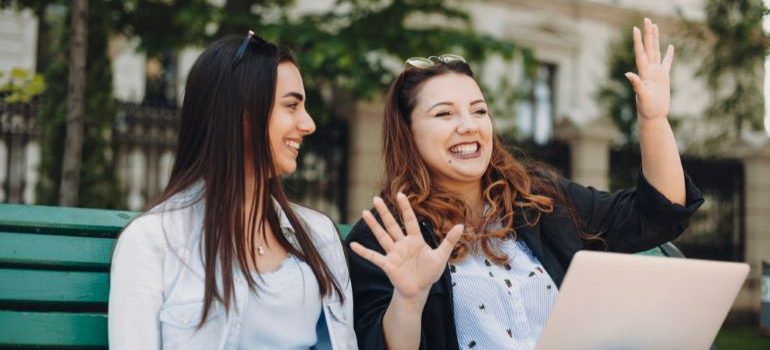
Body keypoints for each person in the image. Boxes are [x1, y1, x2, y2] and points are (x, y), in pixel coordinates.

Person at [345, 18, 704, 350]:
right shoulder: (385, 237)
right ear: (408, 134)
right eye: (444, 113)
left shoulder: (541, 202)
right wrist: (409, 299)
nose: (469, 125)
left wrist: (653, 120)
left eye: (479, 110)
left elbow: (658, 213)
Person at [109, 32, 357, 350]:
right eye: (291, 106)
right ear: (243, 114)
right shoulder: (152, 243)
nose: (308, 124)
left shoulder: (318, 235)